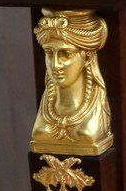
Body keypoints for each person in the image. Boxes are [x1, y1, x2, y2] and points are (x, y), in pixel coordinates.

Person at [30, 9, 114, 155]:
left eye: (66, 54)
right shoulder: (47, 108)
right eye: (49, 53)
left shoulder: (94, 113)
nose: (55, 65)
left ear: (87, 57)